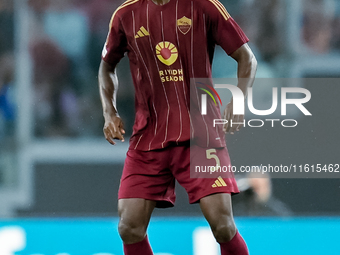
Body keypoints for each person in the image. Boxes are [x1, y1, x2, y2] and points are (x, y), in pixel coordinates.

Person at [98, 0, 257, 254]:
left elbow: (247, 58)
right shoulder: (125, 14)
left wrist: (239, 101)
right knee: (129, 227)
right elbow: (106, 67)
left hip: (200, 133)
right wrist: (109, 112)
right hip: (148, 136)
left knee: (222, 225)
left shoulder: (204, 6)